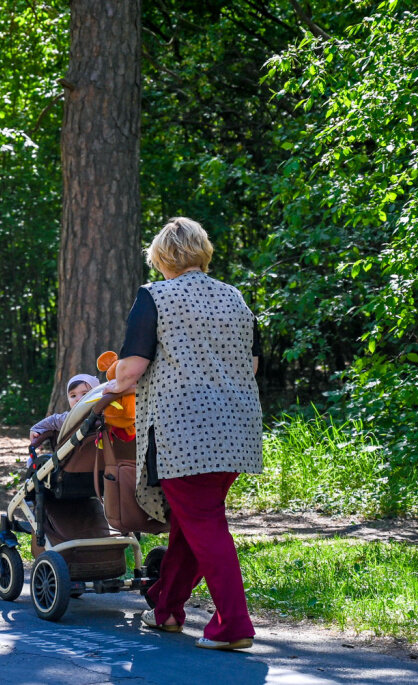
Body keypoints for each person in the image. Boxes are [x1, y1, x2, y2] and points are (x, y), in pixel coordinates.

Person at [102, 217, 263, 651]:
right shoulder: (234, 298)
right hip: (238, 428)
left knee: (203, 521)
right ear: (202, 251)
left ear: (161, 257)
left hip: (184, 432)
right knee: (193, 520)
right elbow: (250, 366)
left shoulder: (155, 297)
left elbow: (132, 370)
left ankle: (234, 625)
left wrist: (111, 381)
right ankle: (166, 606)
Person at [26, 373, 100, 466]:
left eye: (84, 394)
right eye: (73, 396)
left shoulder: (105, 415)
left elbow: (52, 421)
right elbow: (52, 421)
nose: (78, 399)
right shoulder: (67, 418)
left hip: (84, 463)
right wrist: (36, 429)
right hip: (83, 464)